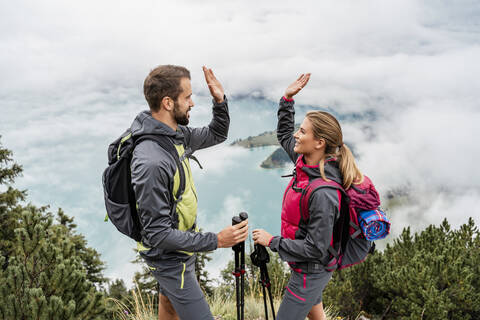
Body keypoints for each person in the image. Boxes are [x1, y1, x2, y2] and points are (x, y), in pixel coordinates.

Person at [130, 65, 248, 320]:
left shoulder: (174, 136)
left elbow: (217, 134)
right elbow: (158, 234)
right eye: (188, 97)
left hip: (179, 247)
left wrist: (219, 101)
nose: (193, 103)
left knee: (169, 308)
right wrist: (216, 240)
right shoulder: (152, 161)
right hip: (170, 257)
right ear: (168, 103)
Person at [252, 73, 364, 320]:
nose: (296, 135)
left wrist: (272, 241)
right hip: (306, 266)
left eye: (302, 131)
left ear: (319, 143)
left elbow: (315, 248)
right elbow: (284, 134)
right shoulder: (306, 165)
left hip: (310, 270)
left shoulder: (324, 192)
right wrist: (287, 99)